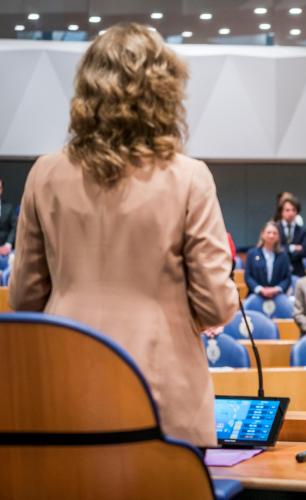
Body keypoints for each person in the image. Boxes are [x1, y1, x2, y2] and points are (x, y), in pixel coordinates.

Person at [8, 23, 238, 448]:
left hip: (63, 390)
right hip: (165, 400)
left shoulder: (43, 174)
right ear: (165, 91)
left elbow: (23, 299)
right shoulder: (190, 178)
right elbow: (215, 306)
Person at [244, 220, 292, 297]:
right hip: (256, 296)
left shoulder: (283, 255)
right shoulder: (252, 254)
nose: (271, 235)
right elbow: (248, 276)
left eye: (274, 233)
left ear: (278, 236)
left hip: (277, 297)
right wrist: (260, 289)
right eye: (268, 232)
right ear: (262, 234)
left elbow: (287, 278)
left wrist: (276, 289)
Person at [277, 196, 306, 276]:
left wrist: (285, 249)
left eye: (294, 210)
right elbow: (275, 248)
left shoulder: (303, 230)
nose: (291, 213)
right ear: (281, 212)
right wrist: (293, 248)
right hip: (278, 269)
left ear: (297, 212)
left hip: (298, 270)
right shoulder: (275, 229)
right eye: (287, 210)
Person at [0, 178, 16, 256]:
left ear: (1, 190)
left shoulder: (9, 208)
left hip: (5, 249)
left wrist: (8, 244)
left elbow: (15, 227)